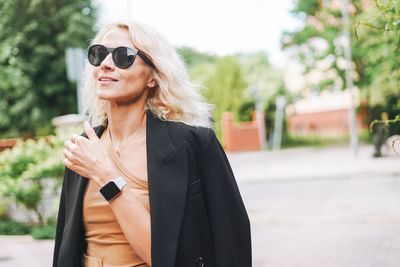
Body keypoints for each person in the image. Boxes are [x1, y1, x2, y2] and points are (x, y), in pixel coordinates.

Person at [53, 21, 251, 267]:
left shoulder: (192, 144)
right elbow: (66, 245)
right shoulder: (85, 146)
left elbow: (227, 246)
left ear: (153, 77)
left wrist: (107, 176)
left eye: (123, 56)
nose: (105, 64)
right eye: (99, 54)